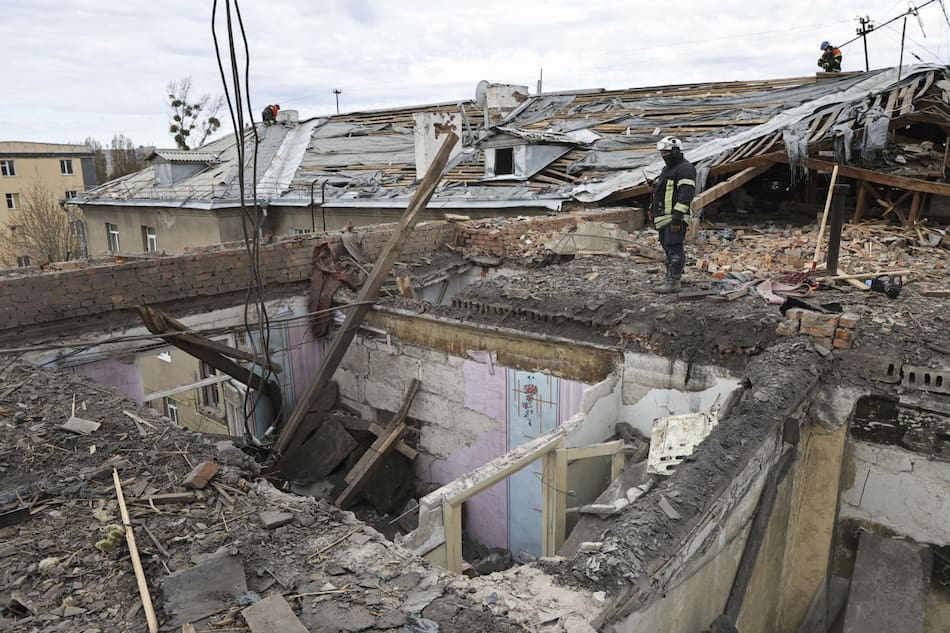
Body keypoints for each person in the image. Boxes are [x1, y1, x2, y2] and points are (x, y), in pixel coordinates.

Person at [649, 136, 696, 294]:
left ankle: (673, 282)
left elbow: (685, 195)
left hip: (674, 218)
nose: (664, 156)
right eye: (662, 152)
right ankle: (673, 275)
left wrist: (677, 217)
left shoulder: (685, 168)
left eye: (666, 152)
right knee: (667, 248)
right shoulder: (667, 169)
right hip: (663, 217)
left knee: (674, 247)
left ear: (676, 151)